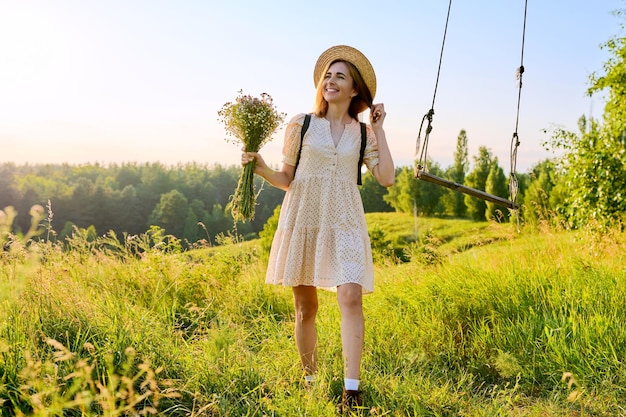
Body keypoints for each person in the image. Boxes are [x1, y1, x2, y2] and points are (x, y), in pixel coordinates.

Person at [241, 45, 395, 410]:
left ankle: (351, 391)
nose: (331, 80)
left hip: (345, 219)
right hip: (305, 216)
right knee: (305, 307)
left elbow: (387, 177)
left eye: (340, 76)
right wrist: (260, 168)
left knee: (351, 296)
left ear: (355, 89)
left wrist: (379, 129)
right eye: (328, 75)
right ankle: (309, 380)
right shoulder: (302, 123)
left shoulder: (363, 134)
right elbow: (287, 177)